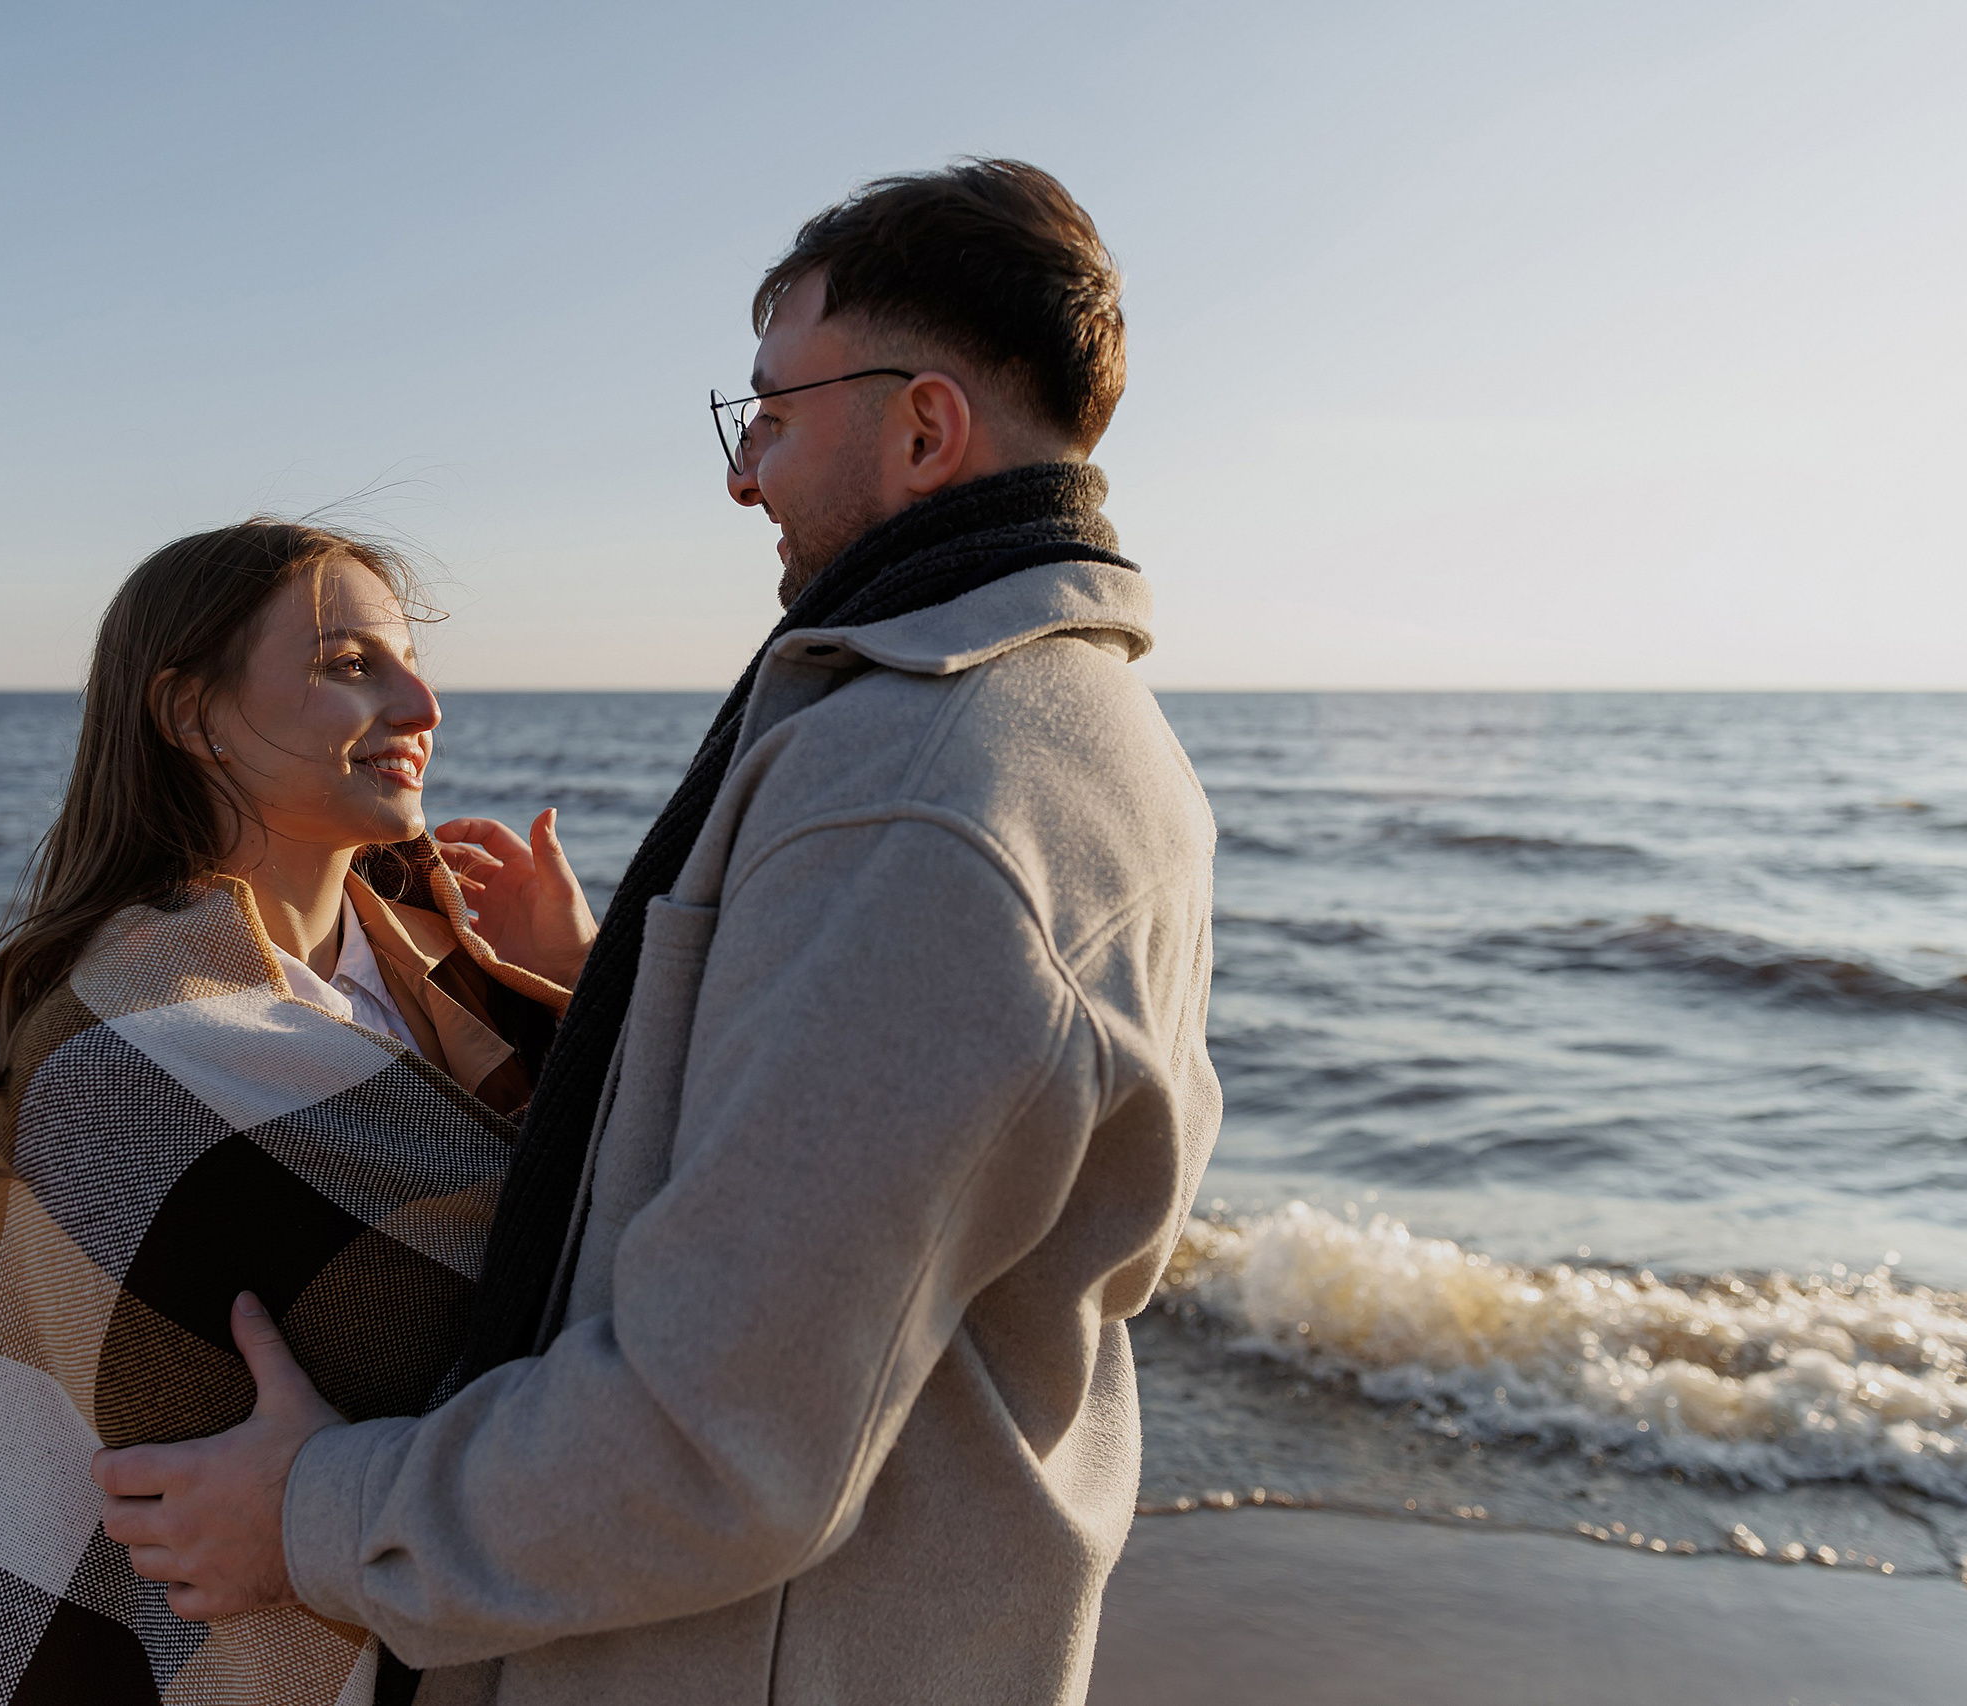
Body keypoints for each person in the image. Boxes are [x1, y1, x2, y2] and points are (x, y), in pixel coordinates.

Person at [97, 159, 1221, 1706]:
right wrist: (622, 999)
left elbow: (714, 1435)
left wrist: (316, 1512)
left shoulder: (926, 791)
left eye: (769, 413)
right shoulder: (1071, 730)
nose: (744, 471)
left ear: (921, 428)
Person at [0, 520, 596, 1704]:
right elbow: (584, 1293)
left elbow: (594, 1277)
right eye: (350, 663)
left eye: (409, 659)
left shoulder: (459, 976)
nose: (423, 703)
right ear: (192, 715)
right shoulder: (120, 1050)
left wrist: (573, 986)